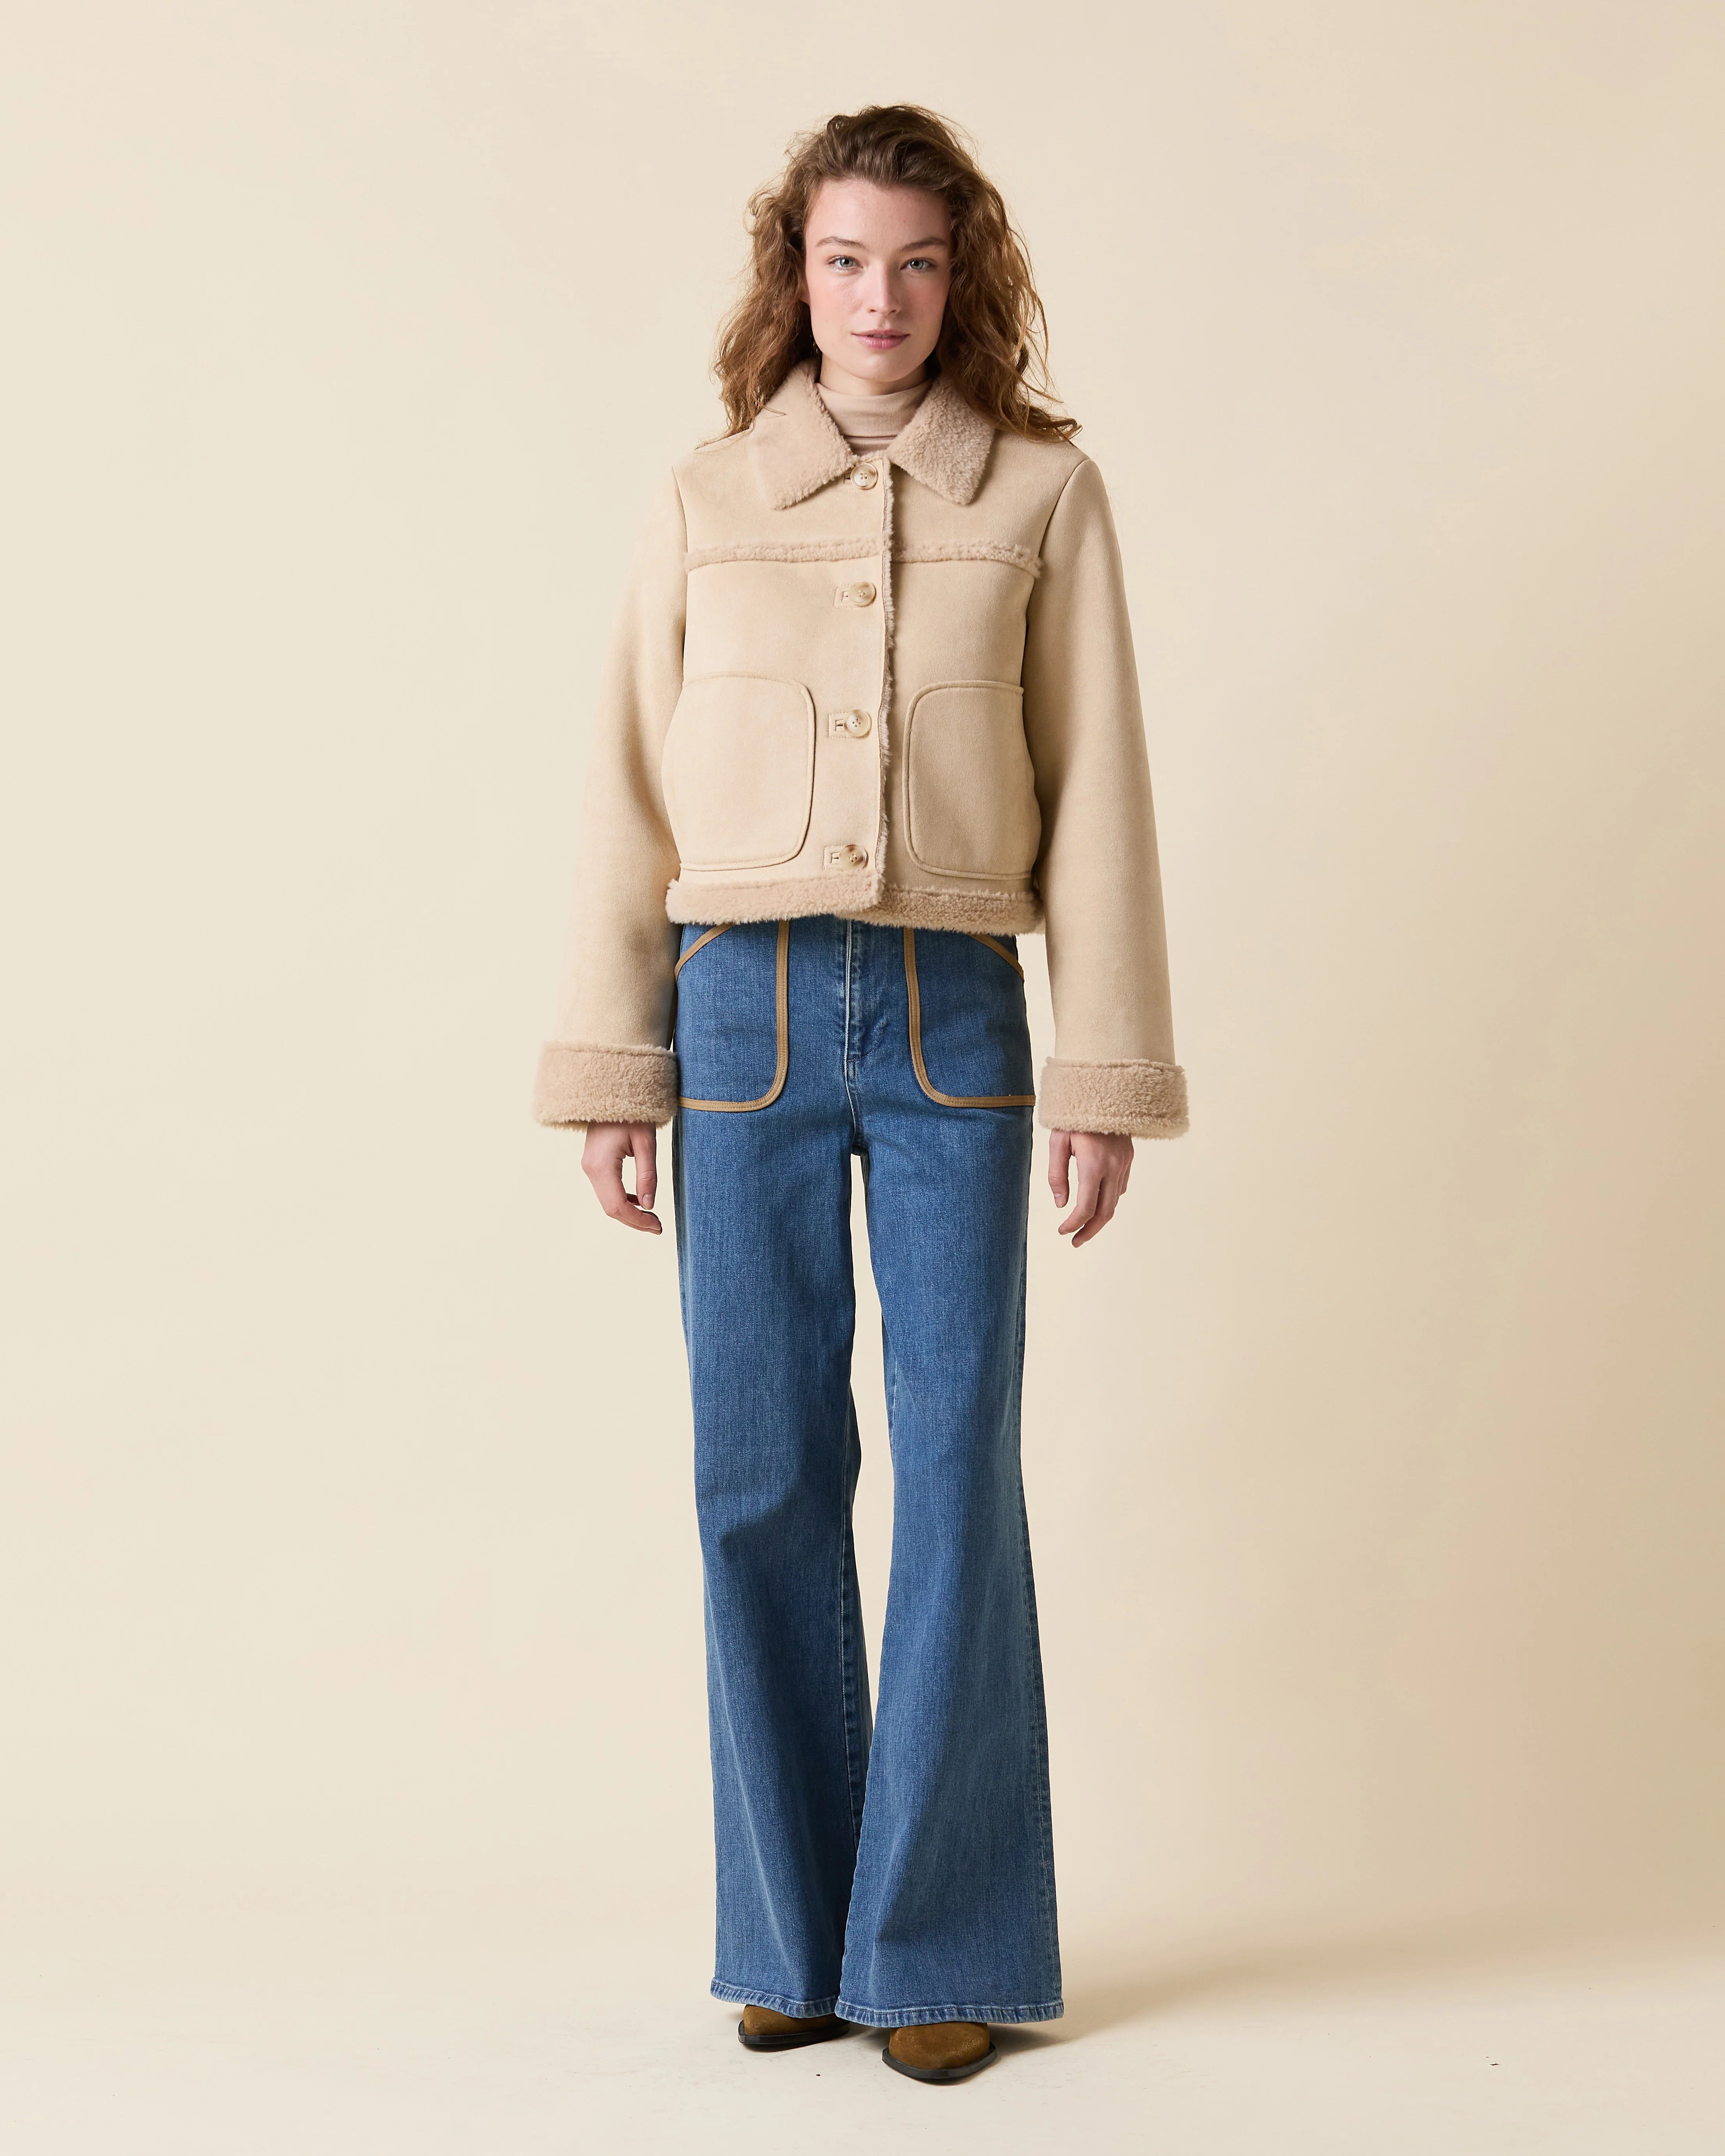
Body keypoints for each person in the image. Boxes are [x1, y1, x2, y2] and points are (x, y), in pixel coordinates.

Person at [532, 103, 1187, 2085]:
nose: (877, 299)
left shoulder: (1042, 496)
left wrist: (1101, 1069)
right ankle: (789, 1937)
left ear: (957, 276)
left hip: (949, 1016)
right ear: (793, 275)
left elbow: (1099, 792)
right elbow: (625, 784)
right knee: (754, 1471)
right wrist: (615, 1064)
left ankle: (941, 1946)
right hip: (733, 1014)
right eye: (842, 262)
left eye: (913, 262)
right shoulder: (707, 496)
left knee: (955, 1463)